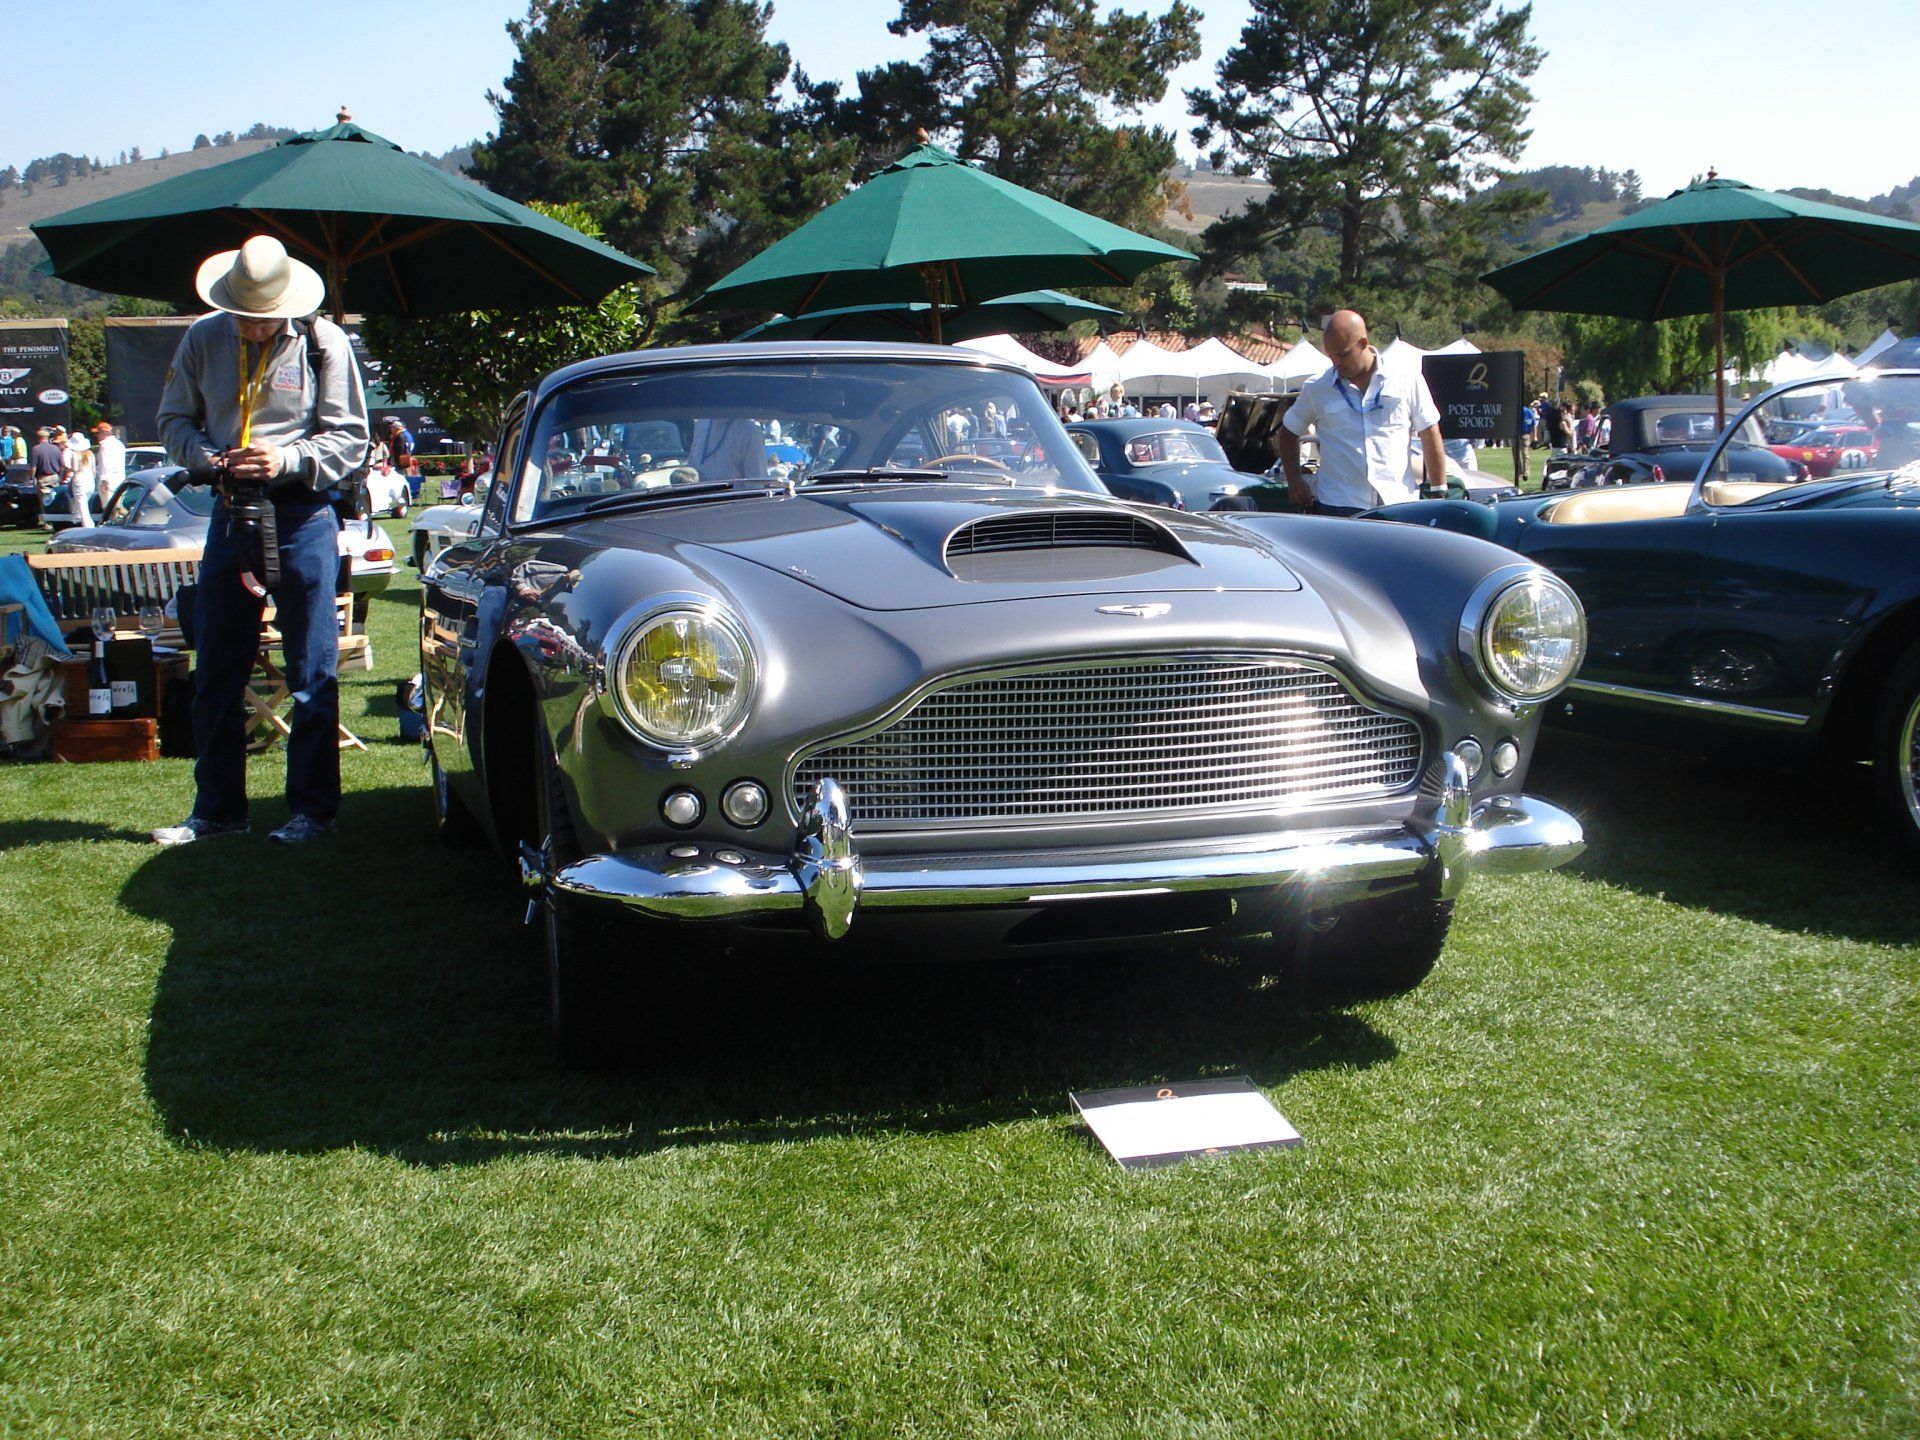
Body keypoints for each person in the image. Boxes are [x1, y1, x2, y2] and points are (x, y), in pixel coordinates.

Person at [151, 235, 370, 847]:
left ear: (288, 305)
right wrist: (211, 458)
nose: (252, 327)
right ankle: (218, 811)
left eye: (263, 317)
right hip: (230, 512)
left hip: (302, 514)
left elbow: (350, 437)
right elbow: (173, 420)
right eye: (243, 315)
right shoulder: (202, 338)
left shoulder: (324, 342)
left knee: (311, 670)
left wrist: (287, 457)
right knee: (217, 666)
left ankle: (312, 813)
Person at [1277, 310, 1443, 515]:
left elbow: (1429, 431)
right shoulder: (1317, 387)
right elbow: (1288, 432)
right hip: (1338, 507)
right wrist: (1294, 479)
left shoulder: (1407, 379)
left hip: (1398, 504)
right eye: (1331, 355)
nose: (1336, 363)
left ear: (1363, 343)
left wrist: (1438, 491)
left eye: (1342, 354)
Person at [91, 421, 127, 504]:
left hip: (108, 481)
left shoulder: (105, 445)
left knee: (109, 508)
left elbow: (106, 464)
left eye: (98, 433)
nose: (97, 436)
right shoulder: (119, 444)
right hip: (120, 479)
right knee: (118, 506)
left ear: (104, 433)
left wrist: (104, 480)